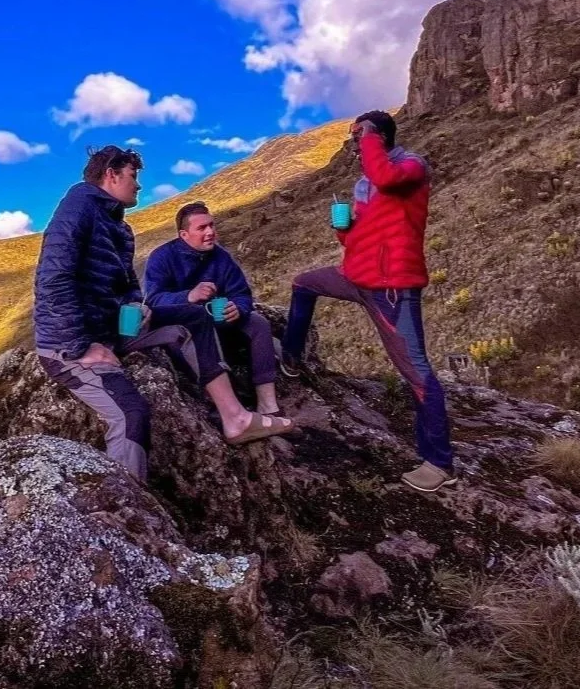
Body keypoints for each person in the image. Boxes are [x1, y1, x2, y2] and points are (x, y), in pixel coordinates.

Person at [34, 145, 292, 482]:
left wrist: (132, 303)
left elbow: (128, 283)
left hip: (114, 331)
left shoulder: (118, 227)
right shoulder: (77, 208)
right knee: (131, 413)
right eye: (133, 176)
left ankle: (236, 418)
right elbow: (54, 279)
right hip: (68, 347)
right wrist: (81, 346)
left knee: (194, 318)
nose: (138, 185)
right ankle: (127, 510)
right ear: (111, 175)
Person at [279, 111, 457, 492]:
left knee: (417, 372)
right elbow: (357, 240)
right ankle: (291, 358)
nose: (354, 142)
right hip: (355, 277)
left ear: (379, 136)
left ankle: (439, 463)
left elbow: (388, 178)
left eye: (358, 135)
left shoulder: (411, 167)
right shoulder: (364, 185)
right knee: (302, 284)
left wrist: (371, 136)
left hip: (392, 287)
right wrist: (344, 230)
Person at [144, 201, 281, 417]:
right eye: (202, 228)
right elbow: (152, 300)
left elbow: (241, 293)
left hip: (220, 322)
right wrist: (188, 296)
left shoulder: (221, 257)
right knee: (196, 331)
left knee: (258, 323)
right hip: (186, 329)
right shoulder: (162, 257)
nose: (210, 232)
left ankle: (268, 405)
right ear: (184, 234)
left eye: (211, 225)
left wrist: (239, 308)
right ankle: (221, 406)